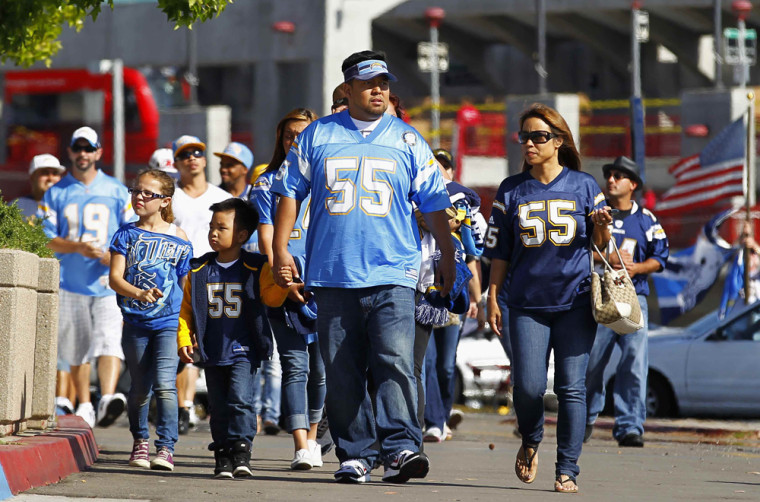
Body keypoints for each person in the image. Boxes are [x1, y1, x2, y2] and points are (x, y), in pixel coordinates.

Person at [271, 50, 456, 484]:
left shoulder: (408, 139)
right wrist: (280, 249)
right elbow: (290, 192)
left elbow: (434, 203)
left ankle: (401, 448)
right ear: (348, 89)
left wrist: (447, 257)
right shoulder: (317, 136)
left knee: (395, 361)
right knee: (341, 366)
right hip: (333, 272)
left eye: (385, 83)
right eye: (369, 83)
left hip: (393, 271)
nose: (379, 90)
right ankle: (355, 452)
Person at [485, 103, 613, 494]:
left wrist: (602, 228)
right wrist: (492, 296)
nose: (529, 143)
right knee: (527, 387)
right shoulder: (510, 189)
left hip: (575, 302)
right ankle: (531, 437)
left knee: (572, 388)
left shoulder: (585, 185)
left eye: (539, 136)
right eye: (524, 136)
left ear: (558, 141)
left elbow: (601, 247)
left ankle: (567, 469)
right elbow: (500, 251)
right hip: (525, 304)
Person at [176, 198, 290, 479]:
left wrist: (283, 283)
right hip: (212, 350)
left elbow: (272, 300)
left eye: (221, 228)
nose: (213, 233)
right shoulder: (199, 270)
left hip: (244, 348)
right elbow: (186, 310)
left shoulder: (255, 266)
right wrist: (183, 340)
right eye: (211, 227)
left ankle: (241, 449)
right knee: (218, 405)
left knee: (240, 399)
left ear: (242, 235)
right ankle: (223, 452)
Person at [41, 126, 134, 428]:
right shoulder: (56, 192)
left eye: (88, 148)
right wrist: (78, 247)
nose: (82, 154)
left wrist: (114, 255)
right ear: (69, 152)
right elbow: (46, 238)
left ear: (98, 152)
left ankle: (107, 397)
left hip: (108, 281)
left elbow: (132, 232)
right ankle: (84, 403)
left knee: (109, 340)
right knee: (75, 345)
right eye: (77, 148)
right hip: (69, 280)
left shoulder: (117, 190)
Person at [250, 107, 326, 469]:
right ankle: (300, 444)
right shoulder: (266, 180)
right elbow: (267, 235)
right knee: (295, 365)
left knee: (323, 369)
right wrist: (283, 273)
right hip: (282, 281)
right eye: (288, 134)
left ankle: (314, 437)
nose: (295, 140)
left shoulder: (329, 172)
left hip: (326, 282)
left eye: (302, 133)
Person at [108, 169, 193, 471]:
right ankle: (140, 441)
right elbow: (114, 279)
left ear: (165, 201)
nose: (139, 197)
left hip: (168, 323)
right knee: (140, 388)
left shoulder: (179, 238)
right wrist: (138, 293)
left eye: (148, 194)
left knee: (166, 386)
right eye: (135, 191)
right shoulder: (125, 234)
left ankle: (166, 447)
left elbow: (186, 287)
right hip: (135, 323)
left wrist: (189, 327)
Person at [584, 156, 669, 448]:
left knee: (634, 363)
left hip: (635, 299)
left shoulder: (646, 219)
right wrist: (605, 258)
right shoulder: (597, 215)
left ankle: (630, 425)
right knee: (592, 363)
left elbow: (661, 258)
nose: (611, 180)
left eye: (619, 176)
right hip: (602, 298)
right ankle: (583, 419)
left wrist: (636, 268)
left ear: (632, 185)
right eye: (609, 175)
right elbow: (579, 251)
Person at [170, 135, 231, 434]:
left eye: (197, 152)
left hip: (214, 281)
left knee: (211, 347)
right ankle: (182, 407)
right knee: (183, 344)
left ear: (205, 160)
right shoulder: (169, 197)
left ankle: (215, 409)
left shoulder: (220, 197)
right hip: (174, 281)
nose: (192, 158)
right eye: (185, 155)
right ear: (176, 162)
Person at [13, 153, 65, 218]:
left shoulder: (70, 206)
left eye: (55, 173)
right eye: (45, 173)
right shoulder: (17, 207)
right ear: (32, 177)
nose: (51, 178)